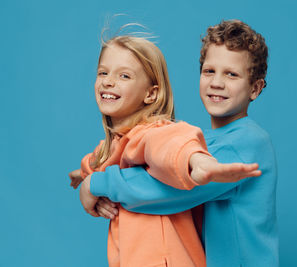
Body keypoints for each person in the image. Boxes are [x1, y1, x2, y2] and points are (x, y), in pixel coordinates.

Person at [80, 20, 279, 266]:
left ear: (255, 89)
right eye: (209, 71)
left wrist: (97, 183)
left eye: (231, 74)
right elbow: (155, 159)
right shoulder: (203, 141)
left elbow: (170, 190)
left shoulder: (248, 141)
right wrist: (90, 172)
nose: (217, 82)